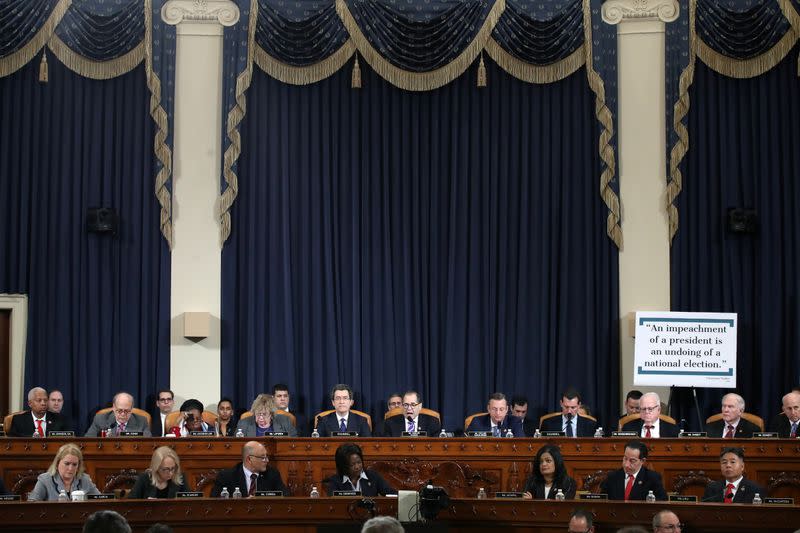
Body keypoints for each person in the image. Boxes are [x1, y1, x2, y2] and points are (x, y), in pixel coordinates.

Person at [211, 440, 288, 496]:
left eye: (266, 457)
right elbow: (215, 504)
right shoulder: (226, 477)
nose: (267, 460)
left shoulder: (272, 474)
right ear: (249, 459)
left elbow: (285, 497)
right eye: (262, 457)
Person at [28, 443, 100, 500]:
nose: (70, 468)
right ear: (57, 463)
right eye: (67, 464)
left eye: (74, 464)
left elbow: (100, 500)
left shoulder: (85, 480)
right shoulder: (45, 480)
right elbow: (32, 505)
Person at [600, 440, 667, 501]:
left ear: (642, 461)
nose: (626, 464)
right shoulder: (612, 477)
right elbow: (602, 502)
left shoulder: (652, 478)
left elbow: (662, 502)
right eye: (625, 459)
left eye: (632, 461)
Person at [326, 443, 396, 496]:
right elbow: (333, 503)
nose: (357, 467)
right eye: (352, 464)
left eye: (359, 462)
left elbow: (390, 494)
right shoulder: (335, 481)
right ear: (343, 466)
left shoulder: (373, 476)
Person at [85, 392, 152, 436]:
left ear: (131, 409)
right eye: (119, 411)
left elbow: (148, 444)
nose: (123, 414)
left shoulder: (142, 421)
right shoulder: (100, 419)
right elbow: (88, 441)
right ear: (114, 408)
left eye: (127, 411)